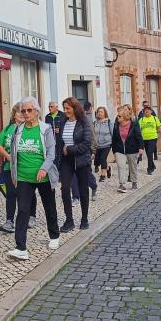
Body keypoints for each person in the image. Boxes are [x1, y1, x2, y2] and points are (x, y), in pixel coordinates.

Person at [6, 97, 61, 260]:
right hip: (23, 177)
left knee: (49, 207)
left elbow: (52, 153)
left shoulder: (45, 129)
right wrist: (14, 174)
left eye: (29, 110)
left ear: (37, 111)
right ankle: (21, 247)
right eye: (23, 110)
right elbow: (14, 154)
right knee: (22, 210)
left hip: (43, 177)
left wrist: (44, 168)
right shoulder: (18, 130)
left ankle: (54, 236)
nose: (26, 113)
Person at [0, 104, 36, 233]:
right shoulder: (7, 129)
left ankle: (31, 216)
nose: (23, 114)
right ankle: (9, 221)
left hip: (25, 168)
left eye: (24, 112)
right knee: (11, 194)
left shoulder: (28, 129)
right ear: (14, 115)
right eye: (20, 113)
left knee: (27, 193)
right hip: (10, 168)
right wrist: (9, 157)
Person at [56, 97, 93, 232]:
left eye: (68, 108)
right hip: (67, 160)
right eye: (64, 108)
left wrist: (70, 149)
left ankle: (84, 219)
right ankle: (69, 220)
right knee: (65, 189)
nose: (65, 111)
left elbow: (87, 143)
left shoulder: (84, 122)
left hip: (81, 160)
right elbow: (59, 142)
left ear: (75, 108)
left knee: (83, 190)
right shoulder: (62, 121)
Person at [111, 105, 144, 191]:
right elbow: (114, 138)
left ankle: (134, 182)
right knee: (121, 166)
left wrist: (141, 147)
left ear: (125, 116)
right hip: (119, 149)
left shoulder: (134, 124)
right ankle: (122, 184)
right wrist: (114, 150)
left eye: (119, 116)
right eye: (118, 115)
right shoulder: (116, 125)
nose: (117, 117)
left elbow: (139, 136)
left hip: (132, 149)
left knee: (132, 166)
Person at [138, 106, 161, 175]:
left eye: (148, 110)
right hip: (144, 139)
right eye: (145, 110)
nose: (147, 111)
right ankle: (153, 165)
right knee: (148, 154)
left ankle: (149, 169)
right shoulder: (142, 119)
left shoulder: (155, 118)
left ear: (151, 111)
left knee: (150, 152)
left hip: (153, 138)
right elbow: (137, 129)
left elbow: (159, 128)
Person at [92, 107, 114, 184]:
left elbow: (113, 133)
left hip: (107, 144)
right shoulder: (95, 123)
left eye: (101, 112)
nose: (99, 113)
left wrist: (114, 144)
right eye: (98, 112)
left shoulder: (109, 122)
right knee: (98, 161)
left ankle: (103, 175)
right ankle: (108, 169)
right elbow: (93, 134)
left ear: (105, 113)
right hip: (97, 145)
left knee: (102, 159)